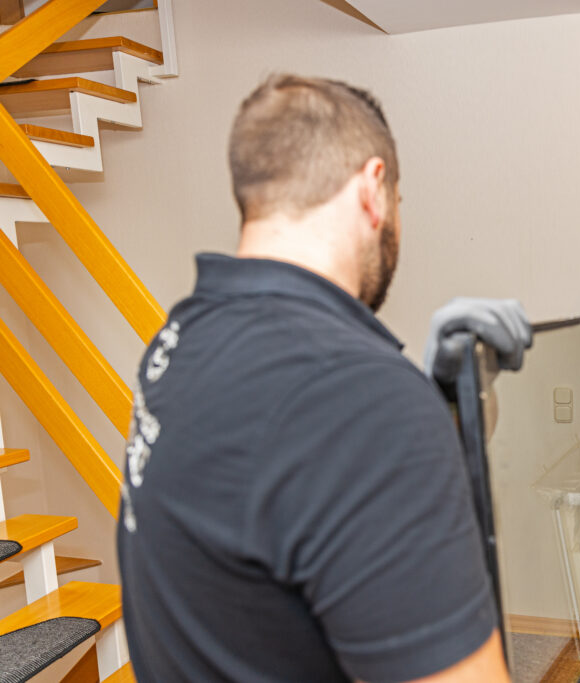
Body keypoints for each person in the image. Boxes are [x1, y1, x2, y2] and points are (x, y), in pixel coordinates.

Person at [117, 74, 531, 683]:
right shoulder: (357, 396)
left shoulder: (180, 339)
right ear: (374, 189)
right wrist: (398, 408)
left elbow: (285, 497)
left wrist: (436, 401)